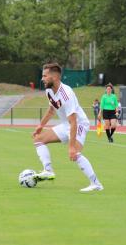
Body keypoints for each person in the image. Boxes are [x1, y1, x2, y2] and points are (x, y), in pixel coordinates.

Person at [32, 63, 103, 192]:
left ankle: (96, 184)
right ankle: (48, 171)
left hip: (79, 123)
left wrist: (71, 147)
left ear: (54, 77)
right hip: (66, 125)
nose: (42, 78)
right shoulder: (49, 90)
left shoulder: (66, 94)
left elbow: (74, 122)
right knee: (38, 139)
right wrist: (40, 126)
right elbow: (51, 110)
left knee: (75, 152)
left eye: (45, 76)